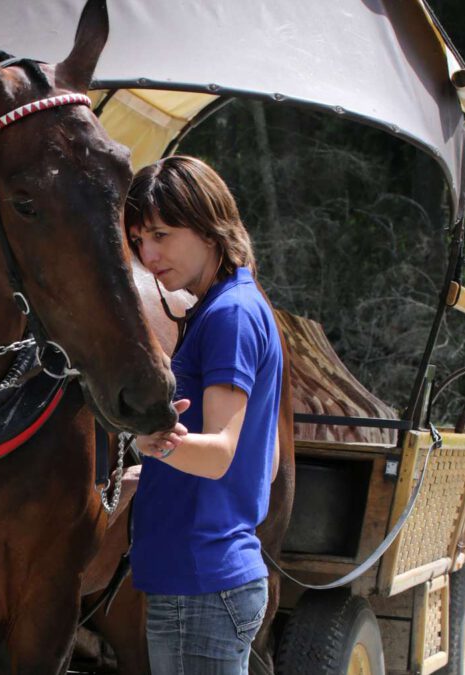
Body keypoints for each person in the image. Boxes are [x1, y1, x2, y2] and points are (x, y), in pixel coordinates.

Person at [124, 155, 283, 675]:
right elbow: (266, 458)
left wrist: (154, 439)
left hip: (202, 585)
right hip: (201, 579)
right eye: (139, 240)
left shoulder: (229, 315)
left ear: (209, 225)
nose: (149, 255)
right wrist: (153, 472)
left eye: (162, 235)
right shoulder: (228, 305)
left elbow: (218, 457)